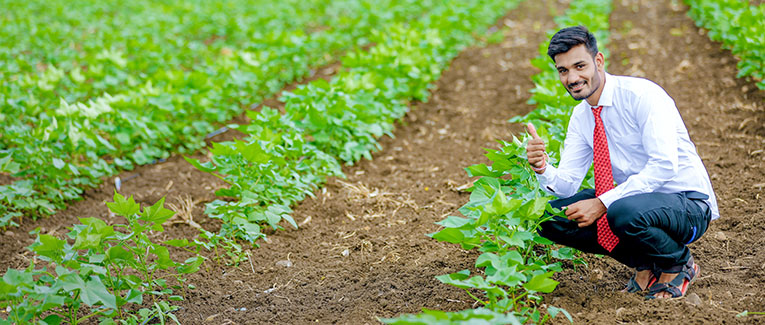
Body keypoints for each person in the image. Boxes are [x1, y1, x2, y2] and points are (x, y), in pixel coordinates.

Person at [525, 26, 719, 299]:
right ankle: (647, 263)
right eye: (563, 70)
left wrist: (603, 203)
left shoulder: (642, 96)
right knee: (550, 216)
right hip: (637, 202)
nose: (572, 77)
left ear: (599, 61)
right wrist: (542, 166)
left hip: (687, 205)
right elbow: (567, 185)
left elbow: (664, 166)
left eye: (580, 66)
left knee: (621, 211)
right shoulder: (581, 117)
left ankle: (677, 262)